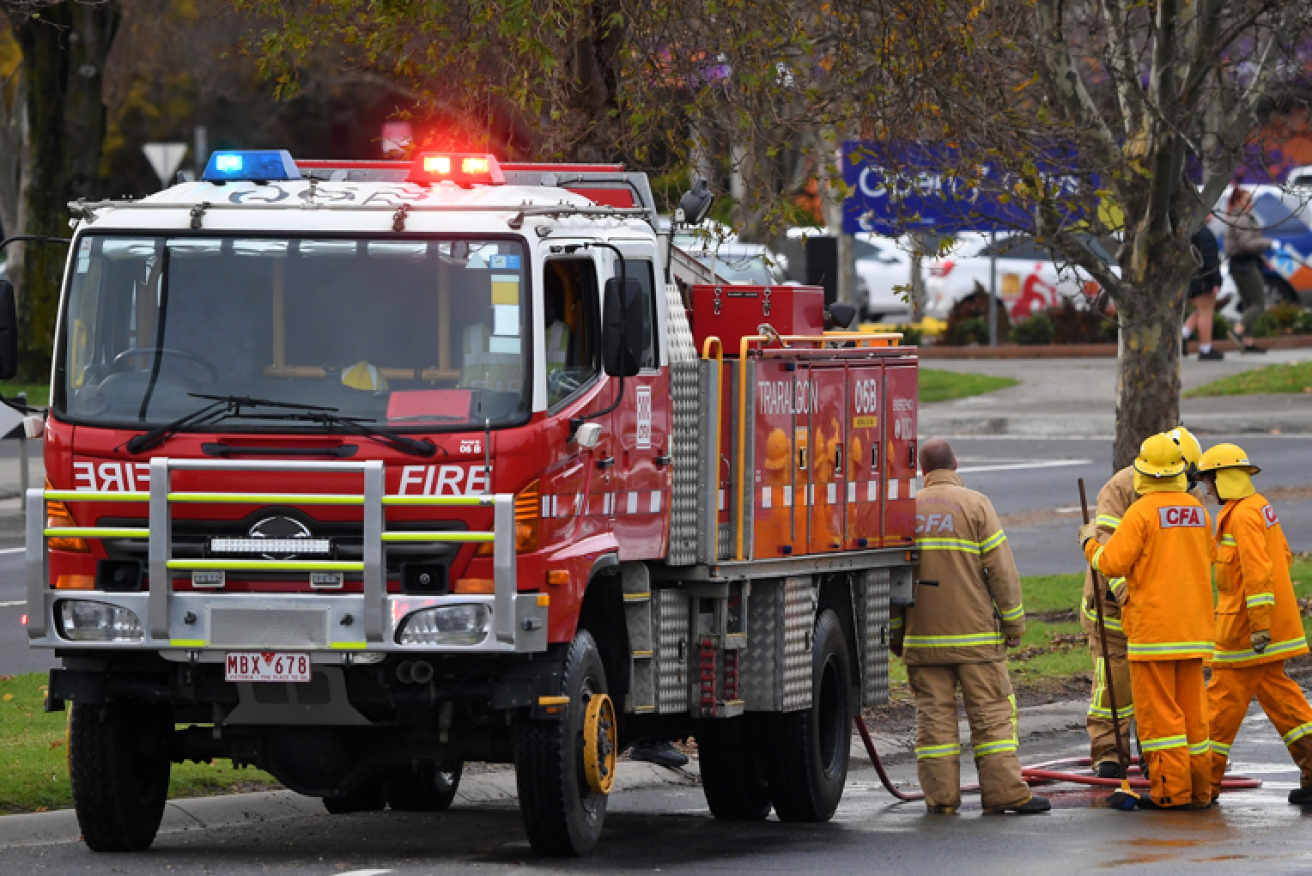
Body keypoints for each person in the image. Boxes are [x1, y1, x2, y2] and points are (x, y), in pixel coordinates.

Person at [891, 438, 1050, 815]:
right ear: (956, 465)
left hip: (924, 640)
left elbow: (893, 582)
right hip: (976, 640)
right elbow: (1001, 571)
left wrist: (898, 636)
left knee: (933, 724)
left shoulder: (904, 511)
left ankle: (941, 800)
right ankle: (1004, 794)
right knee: (991, 715)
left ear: (923, 471)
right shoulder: (977, 505)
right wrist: (1013, 622)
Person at [1079, 433, 1216, 809]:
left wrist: (1088, 543)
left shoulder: (1154, 506)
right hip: (1130, 613)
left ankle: (1171, 787)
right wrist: (1127, 594)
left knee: (1160, 717)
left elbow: (1108, 558)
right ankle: (1113, 755)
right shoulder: (1124, 492)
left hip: (1152, 629)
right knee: (1118, 684)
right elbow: (1205, 555)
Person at [1197, 443, 1312, 807]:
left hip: (1247, 632)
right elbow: (1283, 557)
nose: (1205, 489)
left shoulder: (1242, 515)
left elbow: (1256, 573)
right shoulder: (1257, 507)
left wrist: (1259, 625)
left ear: (1222, 478)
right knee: (1284, 702)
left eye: (1207, 481)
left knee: (1220, 705)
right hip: (1264, 629)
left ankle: (1199, 786)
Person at [1223, 188, 1270, 354]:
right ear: (1236, 202)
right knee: (1259, 303)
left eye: (1250, 200)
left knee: (1249, 303)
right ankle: (1238, 331)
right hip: (1245, 265)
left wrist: (1264, 259)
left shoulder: (1236, 217)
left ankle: (1248, 342)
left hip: (1239, 264)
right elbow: (1247, 244)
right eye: (1246, 200)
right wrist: (1269, 243)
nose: (1250, 204)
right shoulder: (1241, 219)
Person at [1182, 221, 1223, 360]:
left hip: (1193, 278)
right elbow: (1210, 260)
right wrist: (1215, 280)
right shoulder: (1204, 233)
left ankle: (1183, 336)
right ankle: (1205, 348)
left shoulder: (1190, 231)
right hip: (1204, 280)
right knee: (1206, 312)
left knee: (1200, 311)